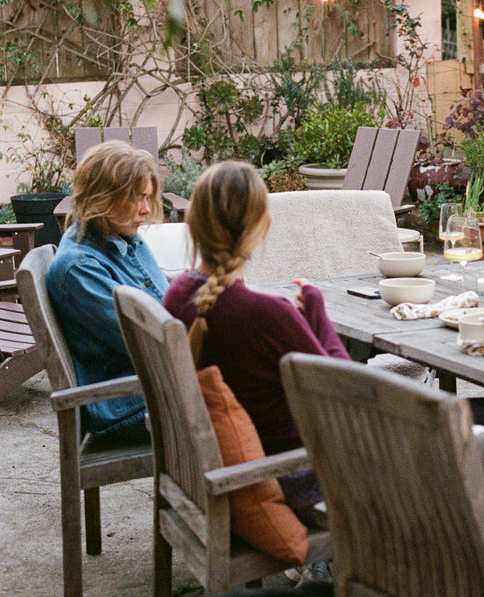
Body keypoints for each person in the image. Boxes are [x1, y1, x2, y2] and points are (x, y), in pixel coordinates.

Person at [164, 160, 349, 526]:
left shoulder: (177, 294)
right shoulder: (267, 314)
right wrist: (317, 315)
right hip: (292, 477)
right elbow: (344, 394)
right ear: (264, 226)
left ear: (193, 222)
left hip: (214, 475)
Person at [46, 139, 168, 447]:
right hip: (129, 404)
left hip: (156, 383)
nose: (145, 209)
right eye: (136, 198)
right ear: (102, 198)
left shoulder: (123, 237)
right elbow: (152, 341)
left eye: (147, 197)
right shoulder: (80, 269)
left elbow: (164, 305)